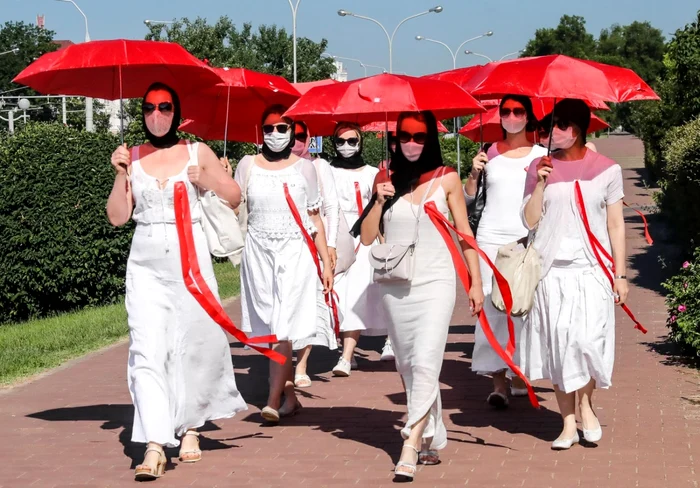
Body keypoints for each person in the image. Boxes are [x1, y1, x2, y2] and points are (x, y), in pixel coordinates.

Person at [107, 83, 247, 481]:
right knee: (148, 350)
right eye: (149, 108)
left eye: (165, 107)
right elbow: (117, 217)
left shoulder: (195, 151)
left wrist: (207, 177)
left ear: (176, 111)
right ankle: (154, 443)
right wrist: (120, 176)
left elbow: (234, 196)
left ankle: (190, 428)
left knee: (194, 345)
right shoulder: (131, 157)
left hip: (192, 260)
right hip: (146, 265)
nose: (156, 114)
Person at [358, 111, 485, 480]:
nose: (411, 144)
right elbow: (367, 237)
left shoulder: (446, 178)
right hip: (395, 286)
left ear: (429, 139)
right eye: (405, 137)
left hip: (436, 284)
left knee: (427, 359)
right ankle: (430, 433)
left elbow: (465, 234)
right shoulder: (385, 178)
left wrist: (474, 282)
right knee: (408, 364)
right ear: (395, 139)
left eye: (419, 137)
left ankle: (409, 444)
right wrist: (379, 201)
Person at [521, 99, 628, 450]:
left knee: (586, 343)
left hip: (593, 270)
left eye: (561, 125)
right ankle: (568, 422)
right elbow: (529, 221)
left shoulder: (608, 169)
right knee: (559, 344)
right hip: (551, 271)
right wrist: (539, 183)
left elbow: (615, 224)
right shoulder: (540, 166)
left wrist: (620, 273)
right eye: (550, 125)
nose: (553, 132)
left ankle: (586, 404)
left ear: (579, 128)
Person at [236, 105, 334, 423]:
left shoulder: (305, 169)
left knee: (283, 324)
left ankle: (272, 398)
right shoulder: (247, 165)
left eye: (282, 129)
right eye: (269, 129)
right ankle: (290, 397)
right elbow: (233, 203)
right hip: (259, 253)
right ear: (260, 132)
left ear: (292, 132)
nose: (275, 135)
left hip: (295, 253)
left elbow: (314, 215)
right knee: (272, 326)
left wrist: (326, 261)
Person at [465, 96, 547, 408]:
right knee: (491, 305)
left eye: (518, 111)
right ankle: (497, 380)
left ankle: (519, 372)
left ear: (528, 116)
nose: (512, 116)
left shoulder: (543, 155)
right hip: (489, 237)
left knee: (525, 305)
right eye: (506, 112)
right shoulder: (488, 153)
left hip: (526, 236)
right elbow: (470, 197)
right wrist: (473, 173)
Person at [329, 123, 387, 377]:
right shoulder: (326, 171)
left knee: (354, 296)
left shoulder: (373, 172)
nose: (346, 146)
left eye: (352, 141)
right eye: (341, 141)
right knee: (337, 296)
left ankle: (346, 355)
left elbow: (380, 210)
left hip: (364, 237)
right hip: (336, 236)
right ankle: (345, 347)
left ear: (360, 143)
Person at [290, 121, 340, 388]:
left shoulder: (319, 166)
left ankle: (301, 365)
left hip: (312, 242)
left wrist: (329, 245)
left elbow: (330, 206)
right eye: (292, 135)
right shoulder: (276, 165)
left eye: (301, 135)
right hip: (284, 244)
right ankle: (283, 364)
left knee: (309, 303)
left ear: (309, 138)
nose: (296, 140)